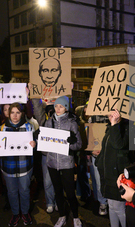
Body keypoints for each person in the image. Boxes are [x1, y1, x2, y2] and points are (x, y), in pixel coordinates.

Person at [33, 96, 83, 227]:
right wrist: (39, 139)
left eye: (61, 106)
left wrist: (71, 143)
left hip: (67, 163)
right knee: (58, 191)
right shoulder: (49, 123)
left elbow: (78, 145)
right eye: (56, 106)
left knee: (70, 192)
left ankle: (76, 217)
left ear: (66, 108)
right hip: (52, 163)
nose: (58, 109)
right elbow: (44, 148)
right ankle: (62, 216)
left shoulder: (72, 123)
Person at [0, 102, 36, 226]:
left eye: (18, 112)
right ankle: (16, 213)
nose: (15, 115)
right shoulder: (2, 128)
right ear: (8, 114)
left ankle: (25, 212)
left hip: (25, 167)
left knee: (24, 191)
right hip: (8, 167)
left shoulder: (29, 127)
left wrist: (34, 145)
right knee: (11, 192)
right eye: (12, 112)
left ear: (21, 113)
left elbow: (34, 145)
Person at [95, 109, 133, 227]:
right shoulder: (110, 126)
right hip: (108, 172)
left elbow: (118, 145)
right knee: (111, 206)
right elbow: (110, 146)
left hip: (117, 173)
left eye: (114, 111)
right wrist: (101, 157)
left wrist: (115, 124)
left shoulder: (127, 127)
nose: (111, 113)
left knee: (119, 207)